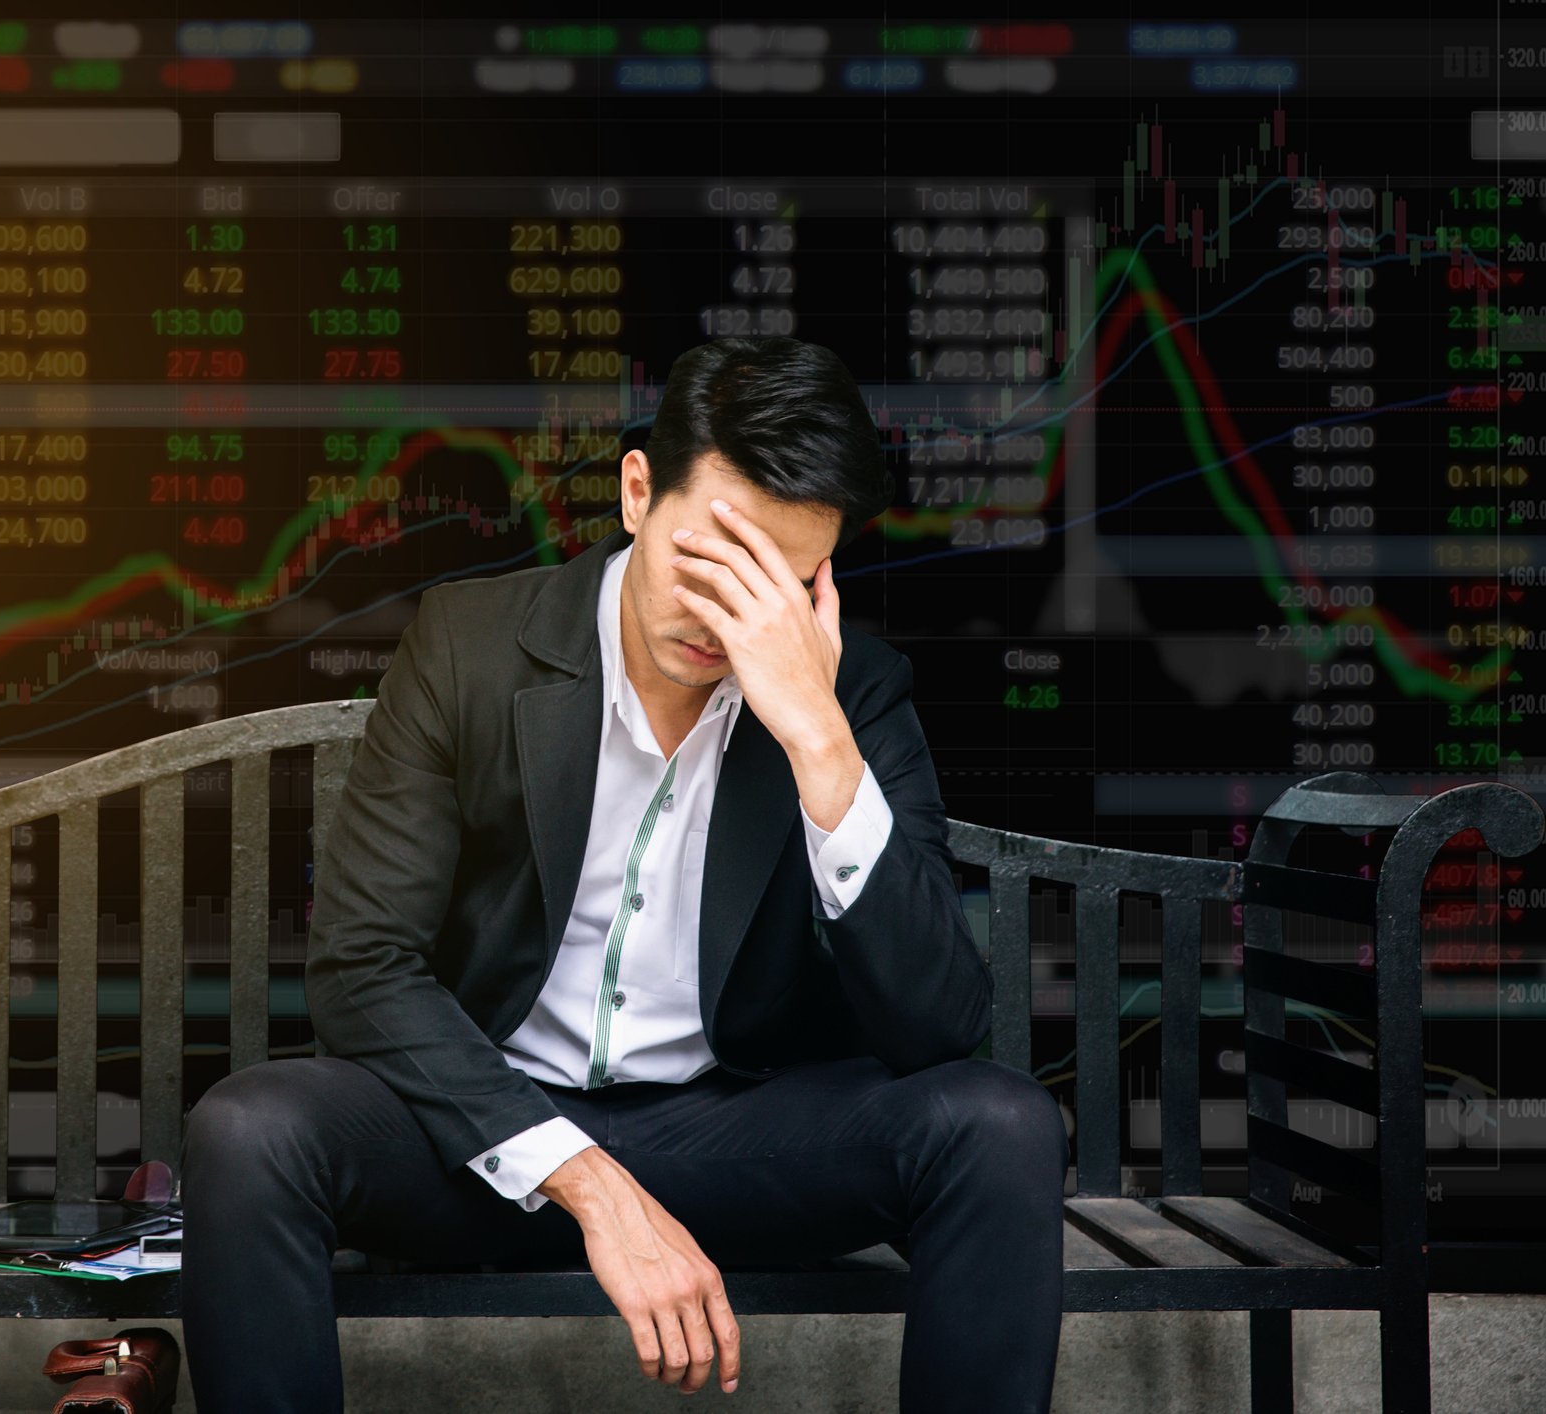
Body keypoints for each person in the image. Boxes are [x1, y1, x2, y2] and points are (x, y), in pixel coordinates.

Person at [180, 336, 1069, 1412]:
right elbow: (364, 966)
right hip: (492, 1144)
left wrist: (818, 742)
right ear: (639, 492)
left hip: (728, 1136)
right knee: (250, 1128)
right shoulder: (472, 643)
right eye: (710, 562)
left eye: (777, 588)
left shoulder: (854, 692)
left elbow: (938, 1027)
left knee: (1002, 1125)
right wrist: (590, 1185)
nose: (727, 619)